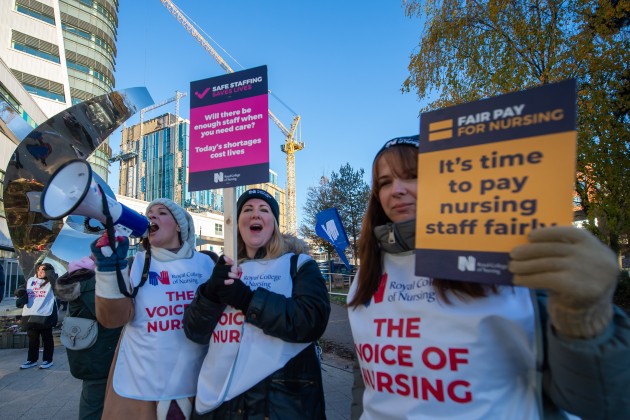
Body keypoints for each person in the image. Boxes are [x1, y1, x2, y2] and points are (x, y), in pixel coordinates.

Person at [347, 135, 630, 419]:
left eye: (412, 176)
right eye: (384, 182)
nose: (396, 190)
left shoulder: (509, 260)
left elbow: (600, 401)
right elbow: (369, 380)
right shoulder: (367, 274)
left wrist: (583, 318)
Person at [183, 188, 331, 419]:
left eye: (264, 210)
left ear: (274, 223)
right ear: (237, 222)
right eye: (247, 209)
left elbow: (310, 320)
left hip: (279, 402)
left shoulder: (299, 265)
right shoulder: (223, 270)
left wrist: (247, 299)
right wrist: (211, 295)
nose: (255, 215)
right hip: (219, 404)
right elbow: (195, 333)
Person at [91, 198, 215, 419]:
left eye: (162, 213)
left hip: (198, 379)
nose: (152, 216)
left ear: (179, 225)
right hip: (142, 382)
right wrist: (109, 268)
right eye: (149, 214)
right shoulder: (133, 263)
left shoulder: (207, 264)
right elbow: (113, 319)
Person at [55, 256, 123, 420]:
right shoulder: (91, 282)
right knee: (94, 402)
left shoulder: (80, 278)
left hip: (91, 351)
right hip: (99, 353)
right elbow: (111, 316)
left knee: (94, 398)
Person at [15, 262, 58, 369]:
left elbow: (57, 286)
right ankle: (31, 360)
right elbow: (20, 289)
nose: (40, 273)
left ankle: (48, 360)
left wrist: (49, 274)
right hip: (30, 313)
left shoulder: (53, 282)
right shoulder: (31, 280)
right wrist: (20, 292)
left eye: (43, 271)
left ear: (48, 272)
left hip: (45, 313)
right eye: (38, 270)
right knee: (32, 339)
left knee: (47, 338)